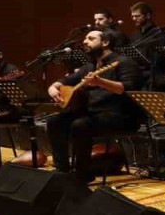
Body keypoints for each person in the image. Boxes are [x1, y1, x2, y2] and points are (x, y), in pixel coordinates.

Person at [46, 29, 143, 183]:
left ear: (105, 42)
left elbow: (127, 88)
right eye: (85, 38)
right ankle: (62, 170)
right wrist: (53, 87)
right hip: (93, 113)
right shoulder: (90, 66)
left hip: (119, 115)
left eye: (90, 38)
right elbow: (65, 81)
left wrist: (100, 82)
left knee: (80, 125)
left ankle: (83, 173)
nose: (85, 42)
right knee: (55, 122)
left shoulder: (124, 62)